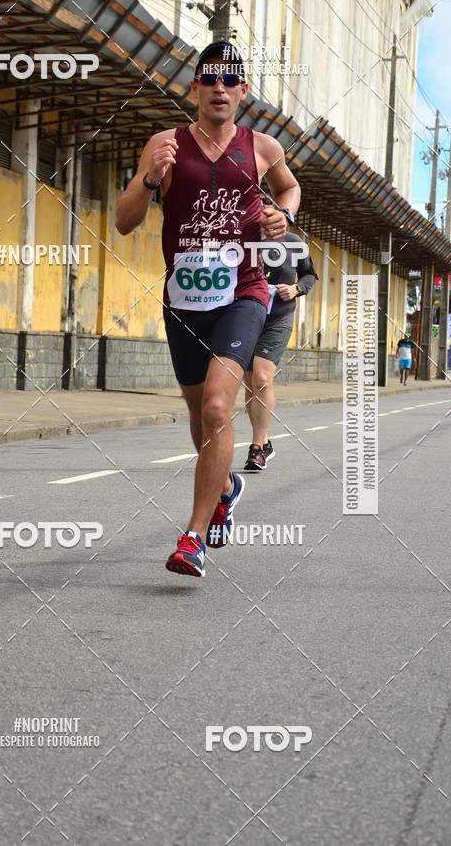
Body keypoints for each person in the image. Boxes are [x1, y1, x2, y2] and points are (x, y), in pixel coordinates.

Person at [115, 41, 301, 578]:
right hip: (185, 301)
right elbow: (125, 221)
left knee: (220, 407)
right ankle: (224, 489)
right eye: (209, 79)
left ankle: (192, 538)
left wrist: (280, 215)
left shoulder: (263, 148)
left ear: (243, 91)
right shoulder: (166, 144)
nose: (219, 88)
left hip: (245, 292)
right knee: (200, 415)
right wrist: (151, 178)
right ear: (194, 88)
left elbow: (290, 189)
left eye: (230, 80)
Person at [244, 232, 318, 471]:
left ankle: (256, 448)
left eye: (270, 208)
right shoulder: (243, 236)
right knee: (249, 382)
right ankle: (264, 442)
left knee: (262, 379)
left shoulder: (293, 242)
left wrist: (296, 288)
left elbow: (309, 275)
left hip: (278, 318)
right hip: (246, 316)